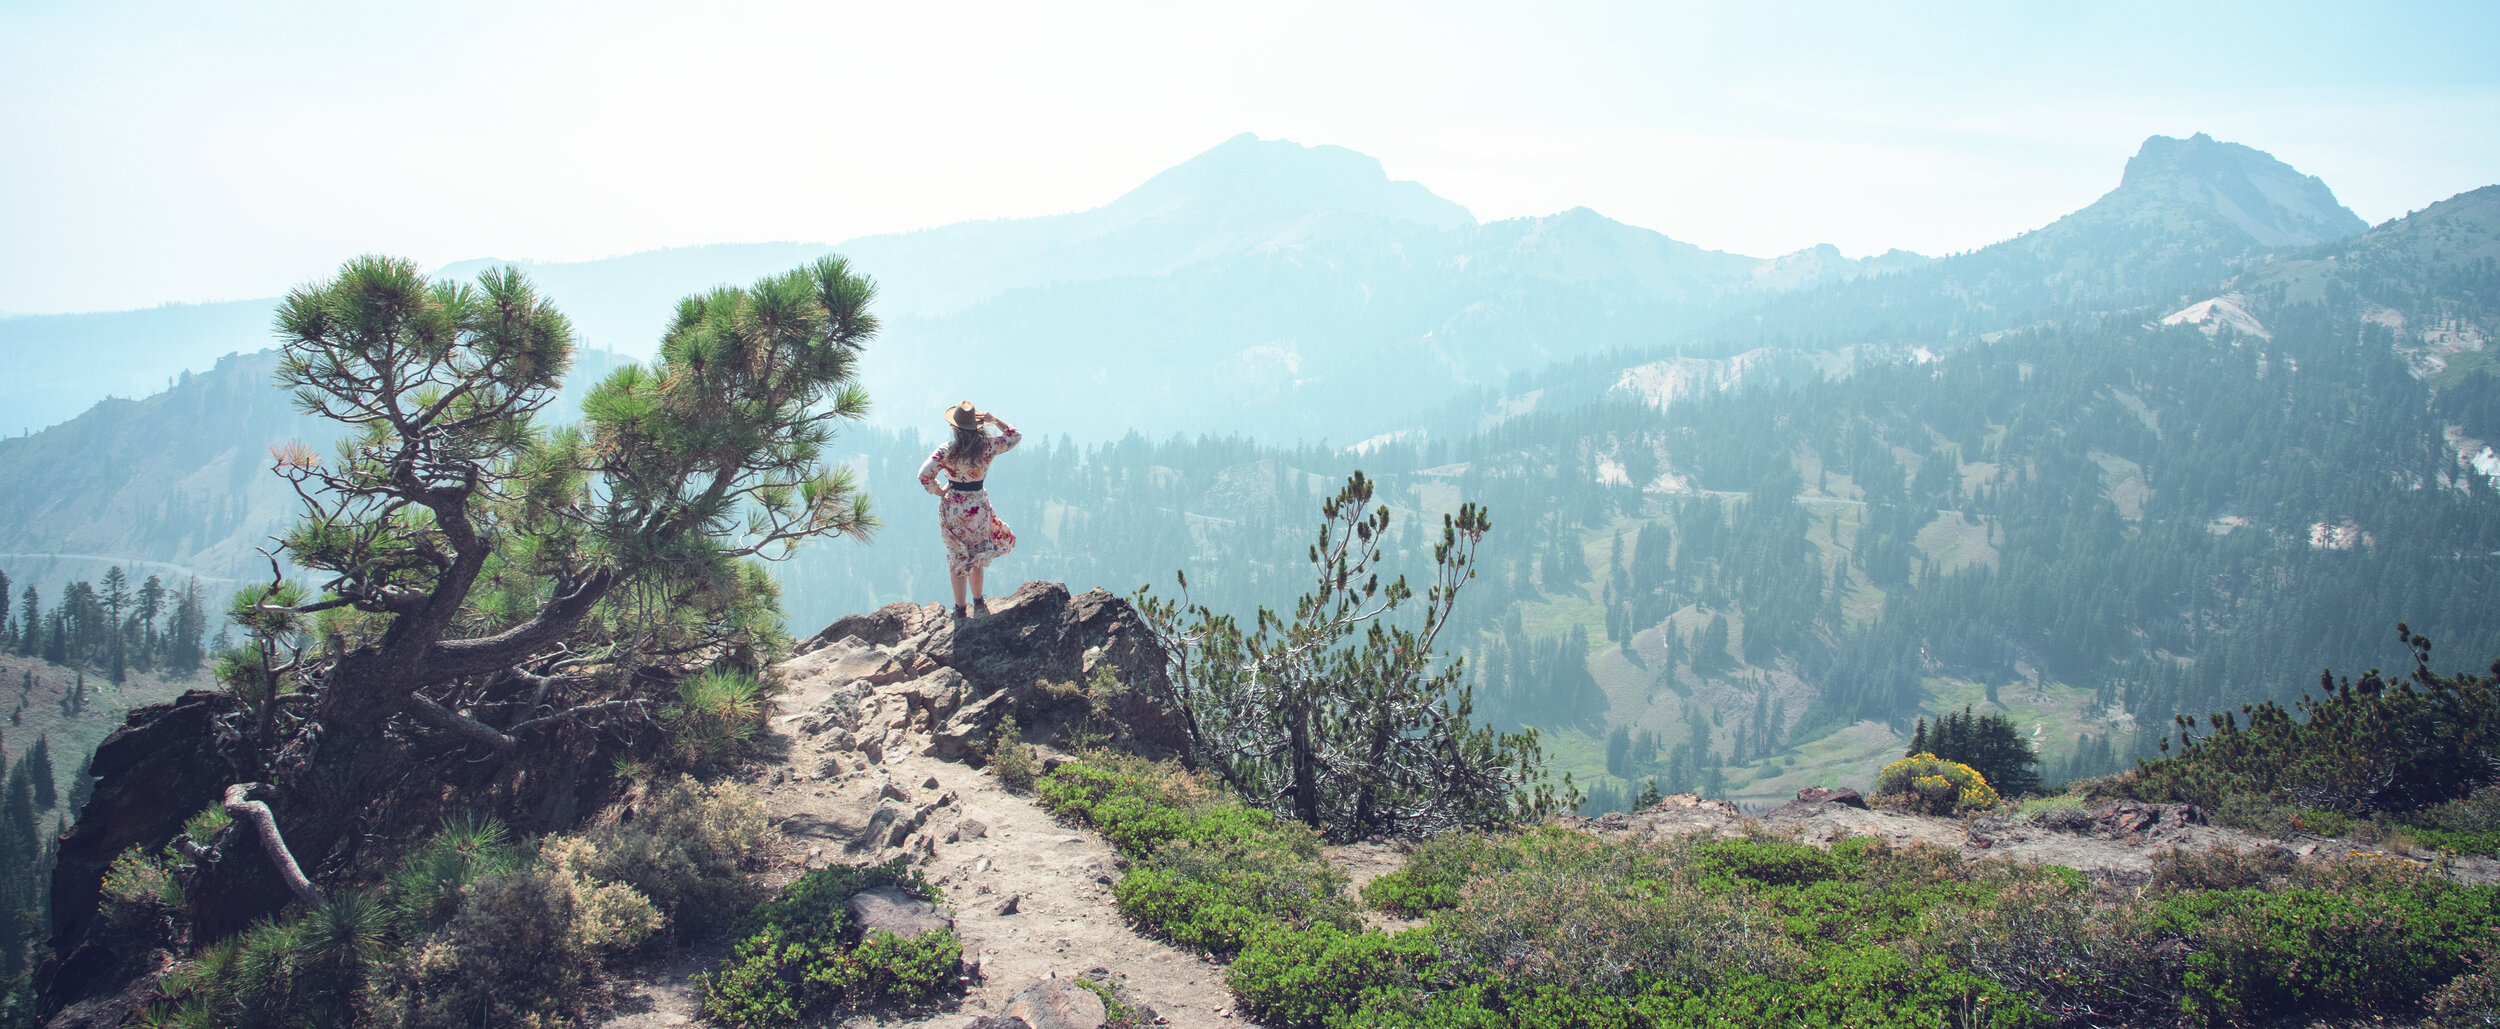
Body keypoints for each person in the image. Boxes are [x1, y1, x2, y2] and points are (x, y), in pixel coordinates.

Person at [918, 401, 1020, 617]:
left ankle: (960, 609)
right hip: (978, 506)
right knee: (977, 553)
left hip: (953, 506)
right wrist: (994, 420)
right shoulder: (987, 447)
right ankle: (979, 602)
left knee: (956, 556)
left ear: (954, 428)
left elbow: (923, 475)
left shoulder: (945, 451)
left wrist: (939, 491)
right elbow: (1014, 436)